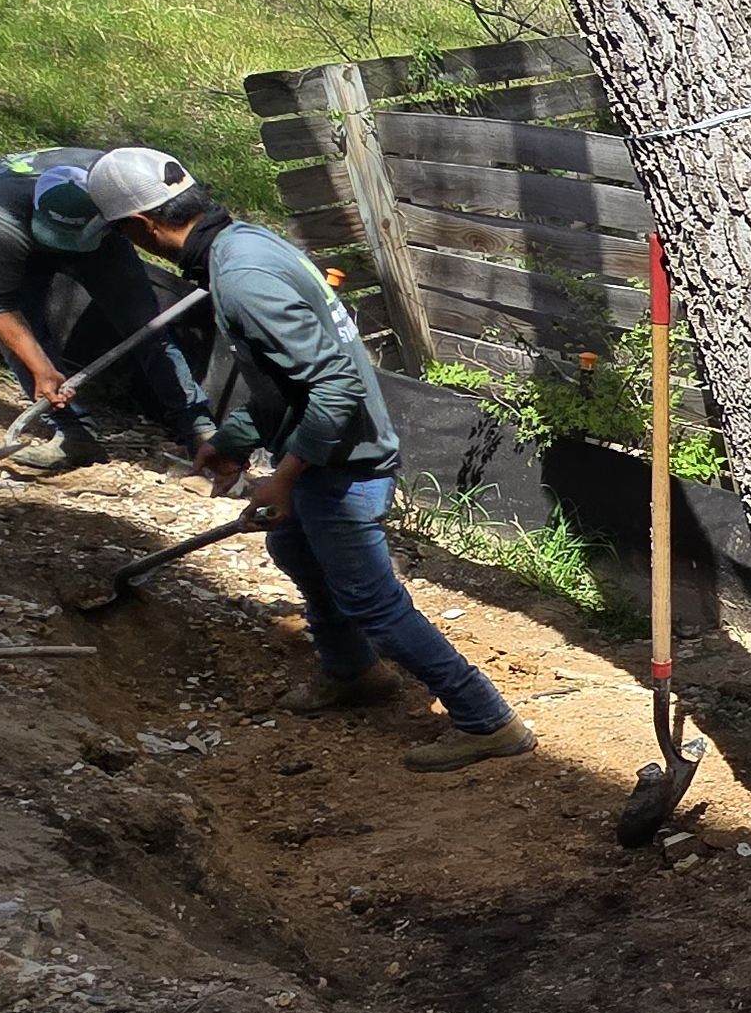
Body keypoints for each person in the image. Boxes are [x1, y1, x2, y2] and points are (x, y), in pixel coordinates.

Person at [87, 148, 536, 773]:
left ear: (139, 227)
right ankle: (352, 672)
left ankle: (487, 720)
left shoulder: (242, 277)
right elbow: (286, 382)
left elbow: (335, 387)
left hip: (342, 460)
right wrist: (238, 438)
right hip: (325, 446)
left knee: (373, 602)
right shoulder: (242, 247)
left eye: (120, 235)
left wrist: (283, 478)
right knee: (293, 547)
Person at [0, 146, 211, 476]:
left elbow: (164, 220)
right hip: (23, 233)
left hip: (101, 236)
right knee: (23, 337)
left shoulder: (114, 185)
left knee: (146, 328)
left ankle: (200, 432)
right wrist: (41, 369)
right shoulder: (0, 222)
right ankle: (74, 435)